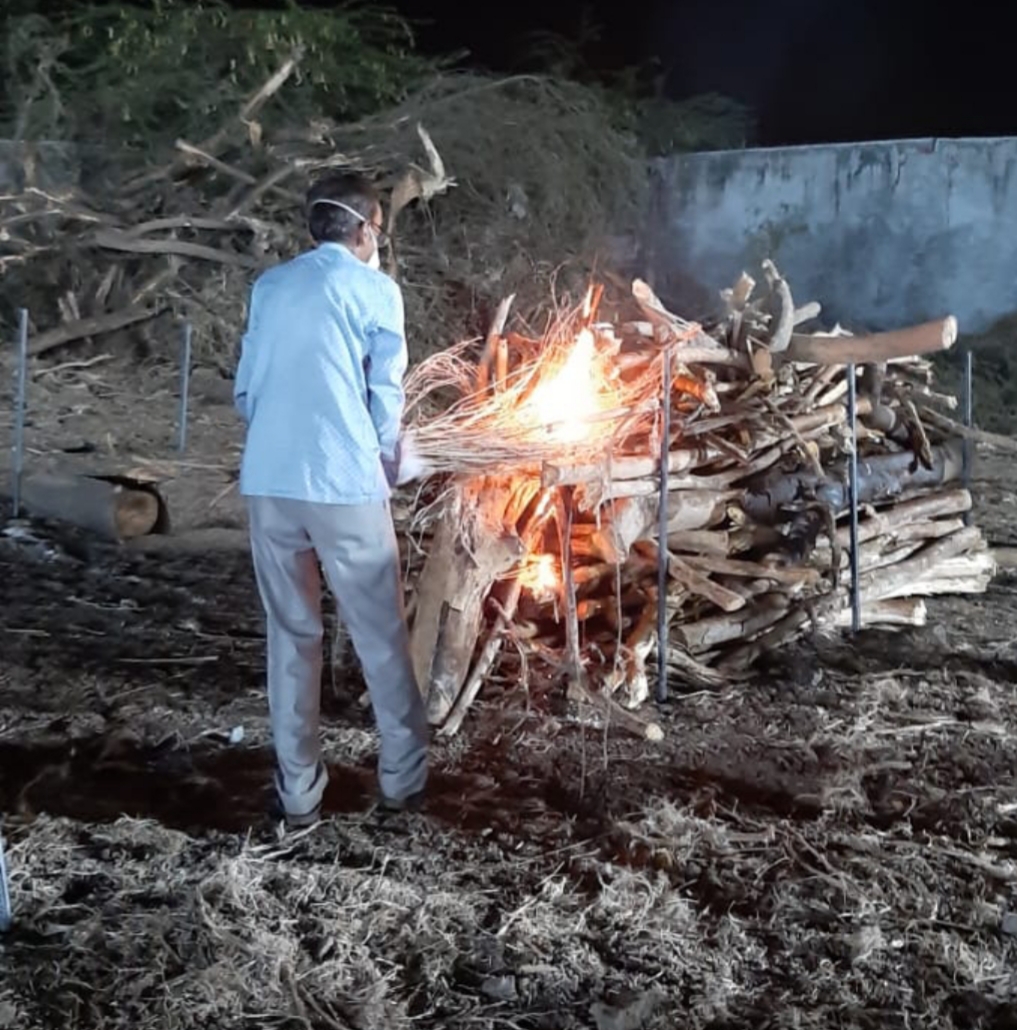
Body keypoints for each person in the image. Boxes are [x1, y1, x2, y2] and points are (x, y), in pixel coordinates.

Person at [233, 171, 430, 829]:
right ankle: (401, 782)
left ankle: (298, 796)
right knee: (379, 635)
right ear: (366, 230)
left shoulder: (270, 287)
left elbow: (246, 390)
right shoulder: (375, 290)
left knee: (290, 637)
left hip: (268, 478)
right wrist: (387, 458)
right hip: (342, 480)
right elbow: (387, 394)